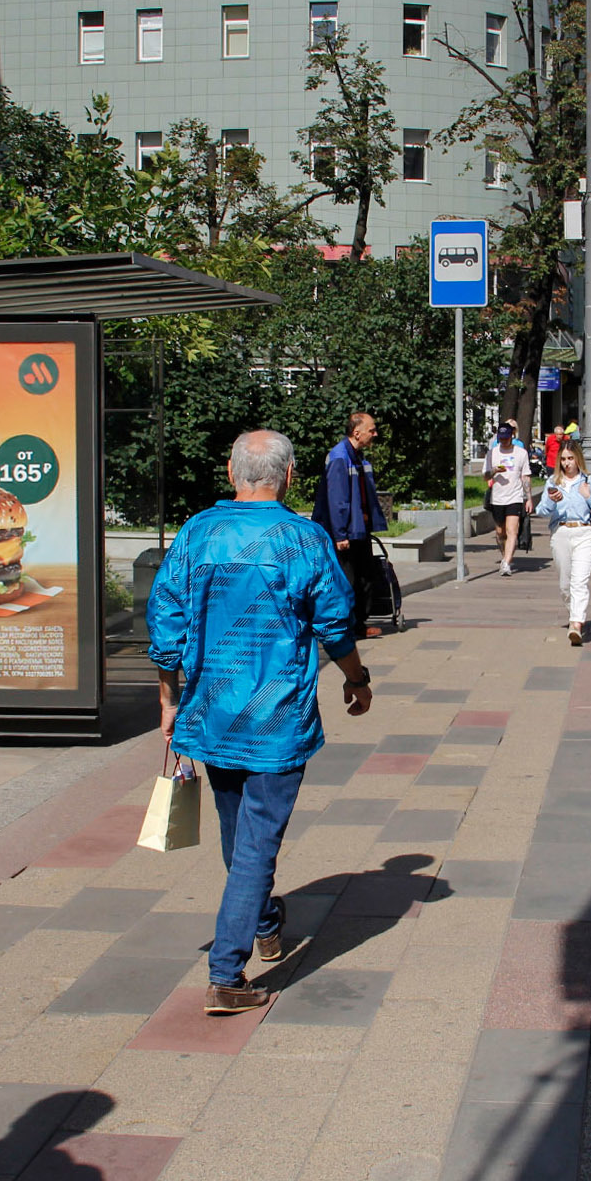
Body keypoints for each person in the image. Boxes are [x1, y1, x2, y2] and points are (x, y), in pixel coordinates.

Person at [150, 431, 372, 1014]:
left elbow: (166, 622)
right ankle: (227, 973)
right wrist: (356, 678)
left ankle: (267, 921)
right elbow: (334, 623)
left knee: (240, 836)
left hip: (213, 712)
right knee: (254, 844)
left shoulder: (198, 533)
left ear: (231, 472)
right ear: (290, 476)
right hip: (276, 717)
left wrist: (169, 699)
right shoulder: (304, 539)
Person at [312, 411, 386, 640]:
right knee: (348, 580)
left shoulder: (357, 457)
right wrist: (340, 534)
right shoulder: (339, 457)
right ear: (357, 432)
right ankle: (346, 628)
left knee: (364, 577)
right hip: (345, 532)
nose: (375, 434)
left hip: (359, 528)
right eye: (371, 430)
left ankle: (358, 625)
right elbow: (337, 500)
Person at [535, 441, 591, 647]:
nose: (567, 463)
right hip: (561, 533)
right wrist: (552, 500)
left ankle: (576, 624)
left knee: (579, 582)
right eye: (563, 459)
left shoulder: (589, 481)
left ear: (578, 459)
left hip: (584, 533)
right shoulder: (554, 482)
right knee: (565, 584)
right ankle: (574, 613)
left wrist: (588, 496)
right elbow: (541, 511)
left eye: (570, 458)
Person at [485, 422, 531, 576]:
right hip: (497, 498)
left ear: (512, 436)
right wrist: (493, 471)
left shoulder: (521, 453)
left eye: (506, 438)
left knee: (512, 531)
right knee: (500, 533)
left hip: (515, 497)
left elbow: (525, 477)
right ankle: (505, 555)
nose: (503, 441)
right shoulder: (492, 453)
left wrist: (528, 498)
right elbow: (485, 476)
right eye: (501, 438)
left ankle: (506, 563)